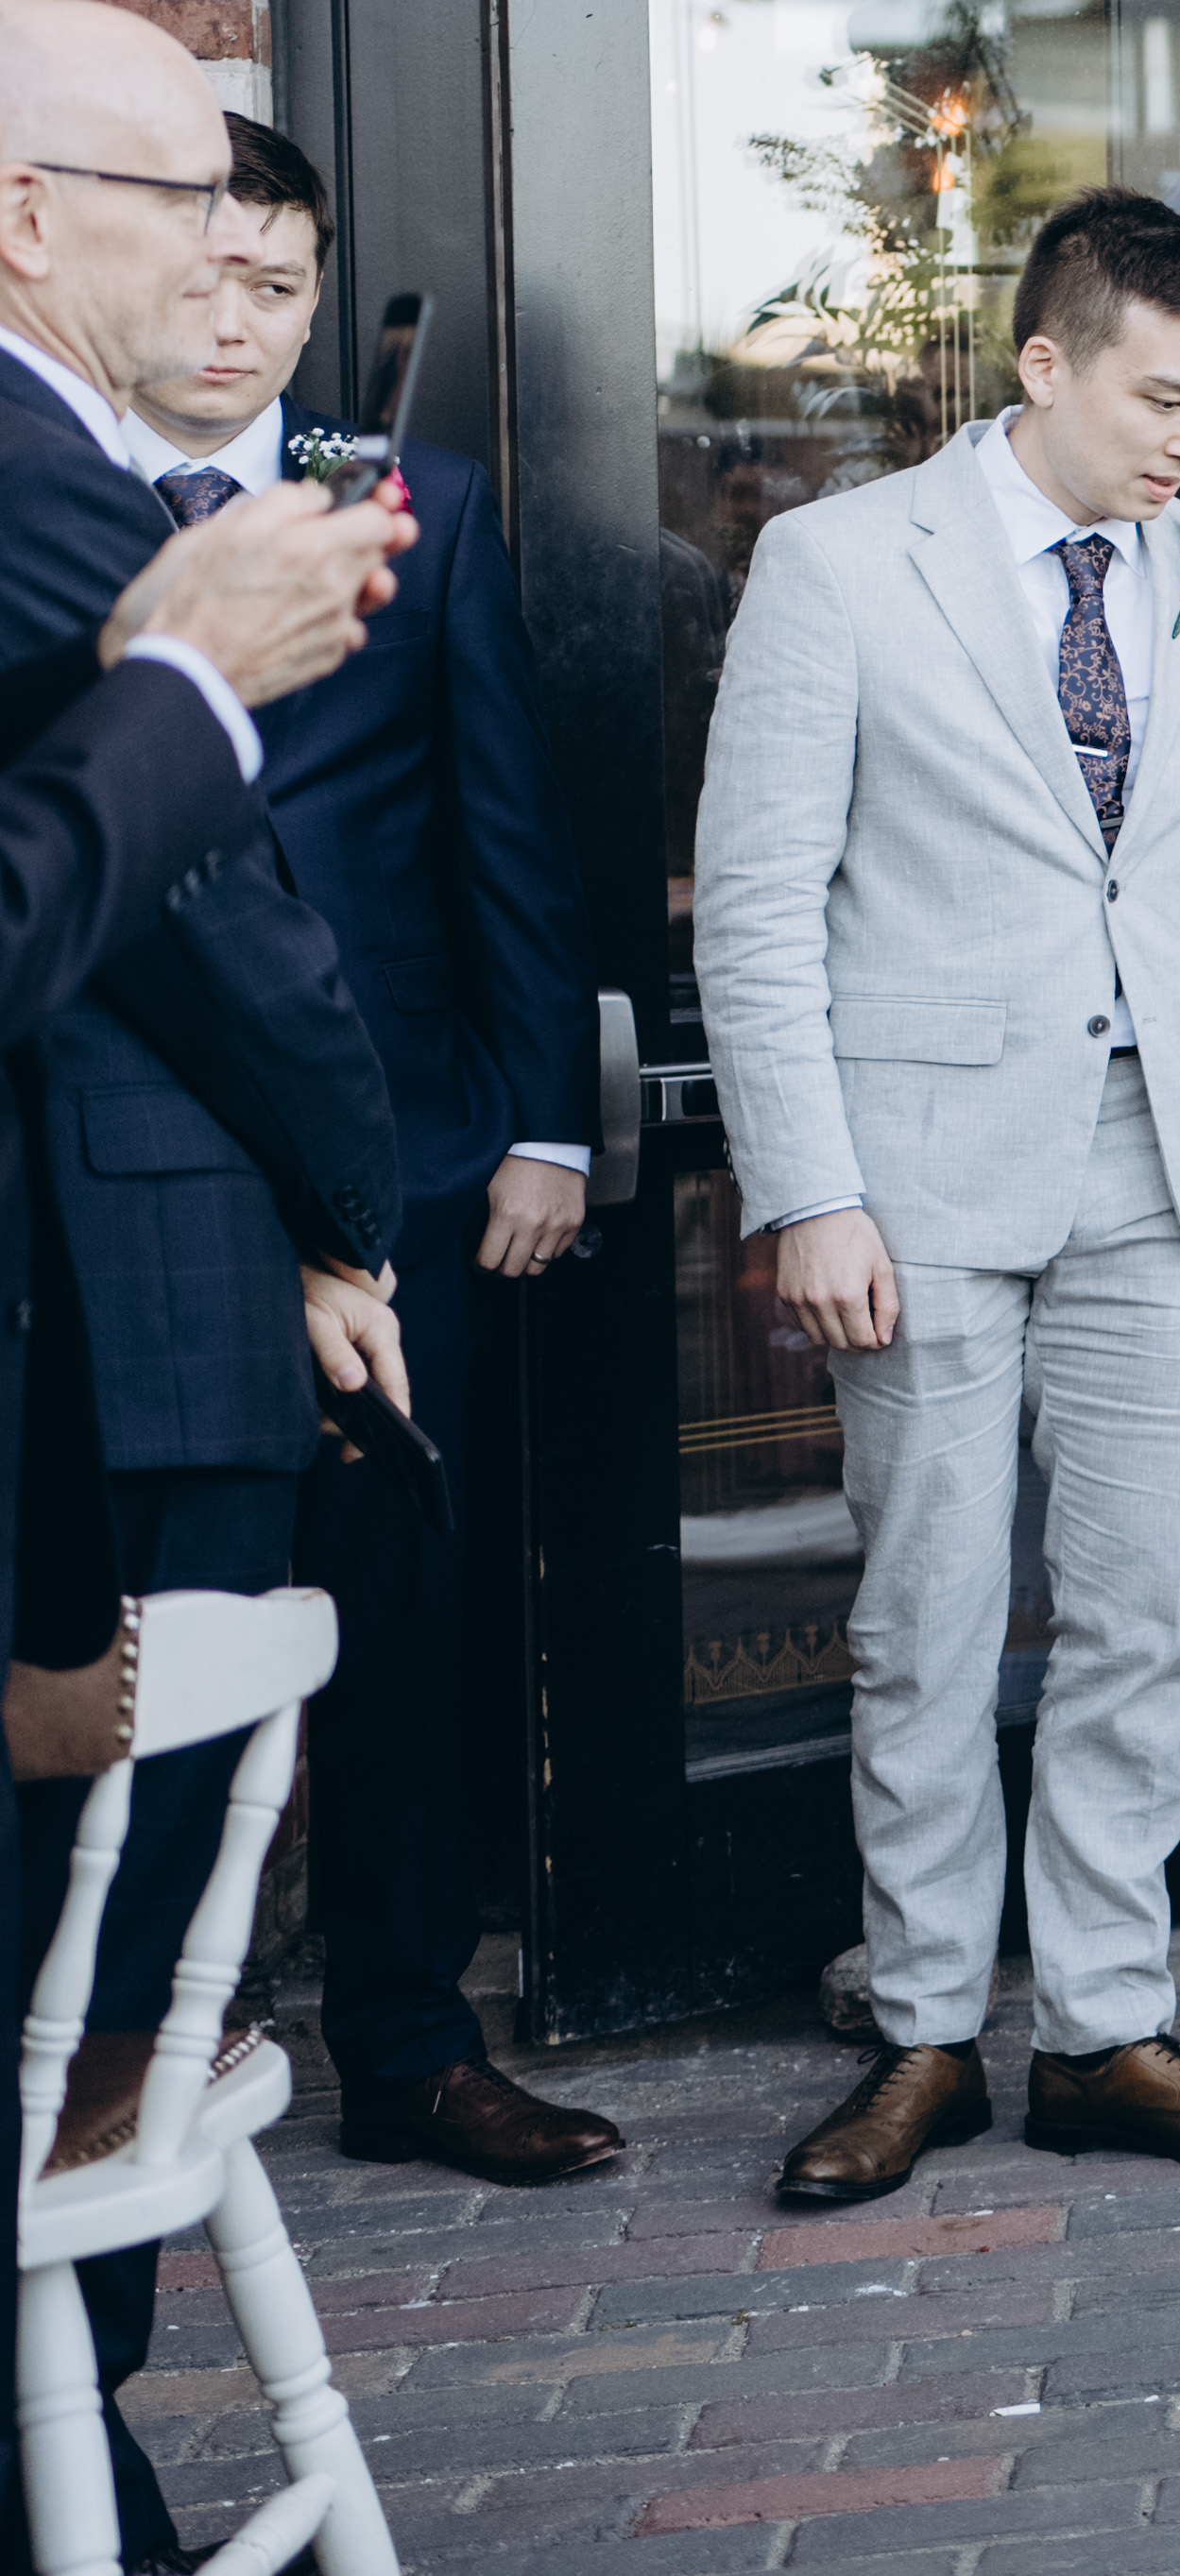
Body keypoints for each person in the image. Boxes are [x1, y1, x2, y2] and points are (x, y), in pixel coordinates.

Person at [693, 187, 1180, 2208]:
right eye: (1162, 399)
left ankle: (1106, 2028)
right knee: (927, 1619)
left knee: (1147, 1617)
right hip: (921, 1181)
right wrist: (809, 1188)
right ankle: (920, 2029)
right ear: (1044, 363)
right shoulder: (837, 563)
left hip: (1172, 1170)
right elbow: (759, 908)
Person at [0, 0, 416, 2572]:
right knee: (90, 1983)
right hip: (108, 1307)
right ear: (30, 213)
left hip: (142, 1287)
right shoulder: (36, 476)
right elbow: (197, 911)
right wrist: (346, 1203)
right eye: (185, 198)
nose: (233, 246)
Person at [120, 115, 622, 2184]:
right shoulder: (51, 494)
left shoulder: (407, 496)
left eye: (282, 285)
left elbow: (505, 826)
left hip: (406, 1161)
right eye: (209, 276)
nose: (239, 321)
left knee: (401, 1626)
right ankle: (134, 2054)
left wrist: (542, 1121)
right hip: (136, 1182)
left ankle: (412, 2044)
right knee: (152, 1629)